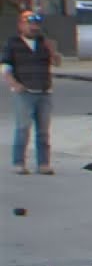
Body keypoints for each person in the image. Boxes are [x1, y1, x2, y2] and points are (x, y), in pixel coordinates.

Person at [2, 11, 60, 175]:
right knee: (23, 128)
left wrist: (52, 50)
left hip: (44, 91)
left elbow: (57, 62)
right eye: (30, 24)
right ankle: (19, 162)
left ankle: (43, 164)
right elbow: (6, 68)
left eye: (36, 24)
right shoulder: (13, 43)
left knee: (43, 131)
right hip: (24, 92)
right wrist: (14, 85)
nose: (34, 27)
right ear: (21, 25)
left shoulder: (43, 43)